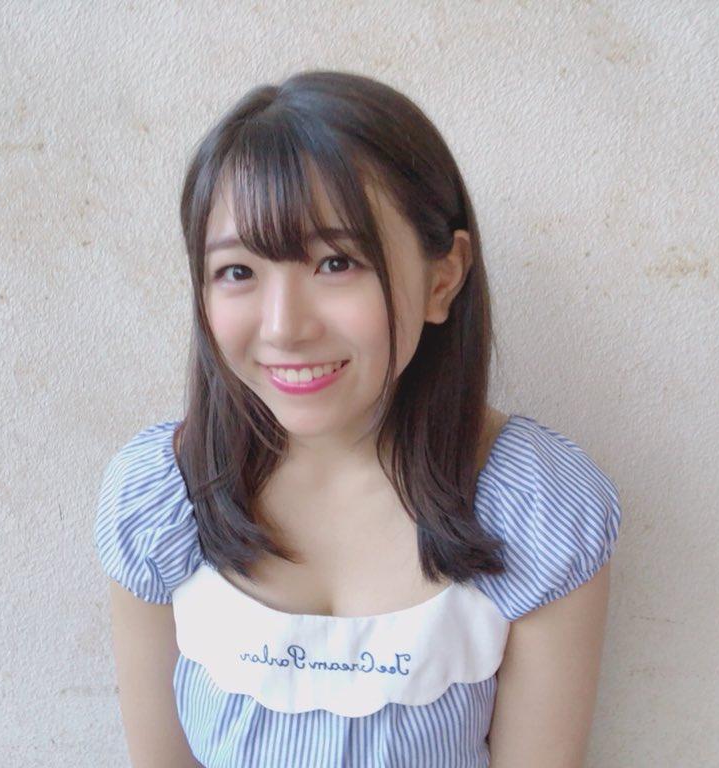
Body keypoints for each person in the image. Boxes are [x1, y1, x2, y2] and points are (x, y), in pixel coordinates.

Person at [94, 70, 622, 768]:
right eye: (238, 271)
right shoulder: (162, 500)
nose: (284, 328)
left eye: (336, 263)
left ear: (442, 278)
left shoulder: (537, 510)